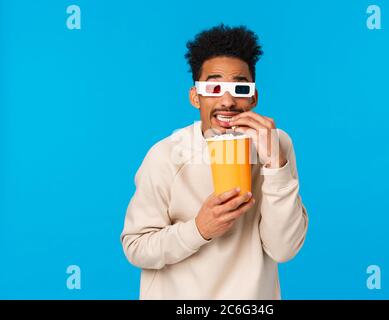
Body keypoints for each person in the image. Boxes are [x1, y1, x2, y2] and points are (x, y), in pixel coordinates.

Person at [120, 24, 308, 299]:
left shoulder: (277, 145)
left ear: (254, 97)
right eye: (214, 86)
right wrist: (199, 229)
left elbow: (284, 248)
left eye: (240, 88)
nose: (228, 100)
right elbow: (135, 247)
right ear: (196, 97)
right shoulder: (166, 155)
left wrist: (275, 165)